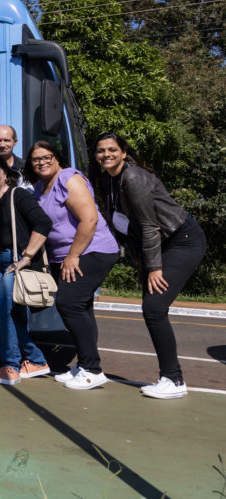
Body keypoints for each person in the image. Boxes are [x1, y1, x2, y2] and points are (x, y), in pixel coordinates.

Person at [93, 132, 207, 399]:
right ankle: (171, 377)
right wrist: (139, 257)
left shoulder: (133, 177)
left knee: (154, 308)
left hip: (181, 240)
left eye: (112, 149)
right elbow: (122, 223)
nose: (106, 154)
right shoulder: (108, 180)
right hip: (158, 244)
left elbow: (148, 225)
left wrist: (154, 267)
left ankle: (174, 380)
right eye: (100, 150)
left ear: (124, 153)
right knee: (153, 309)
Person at [26, 140, 119, 390]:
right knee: (82, 308)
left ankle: (92, 370)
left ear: (57, 157)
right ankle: (86, 364)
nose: (42, 162)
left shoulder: (68, 178)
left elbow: (89, 219)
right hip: (63, 256)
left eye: (46, 157)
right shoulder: (40, 186)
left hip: (91, 251)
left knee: (69, 304)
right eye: (36, 159)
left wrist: (73, 255)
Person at [0, 153, 52, 385]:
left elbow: (43, 223)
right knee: (13, 315)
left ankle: (11, 365)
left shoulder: (18, 195)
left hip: (15, 261)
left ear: (6, 173)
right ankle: (35, 359)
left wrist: (28, 256)